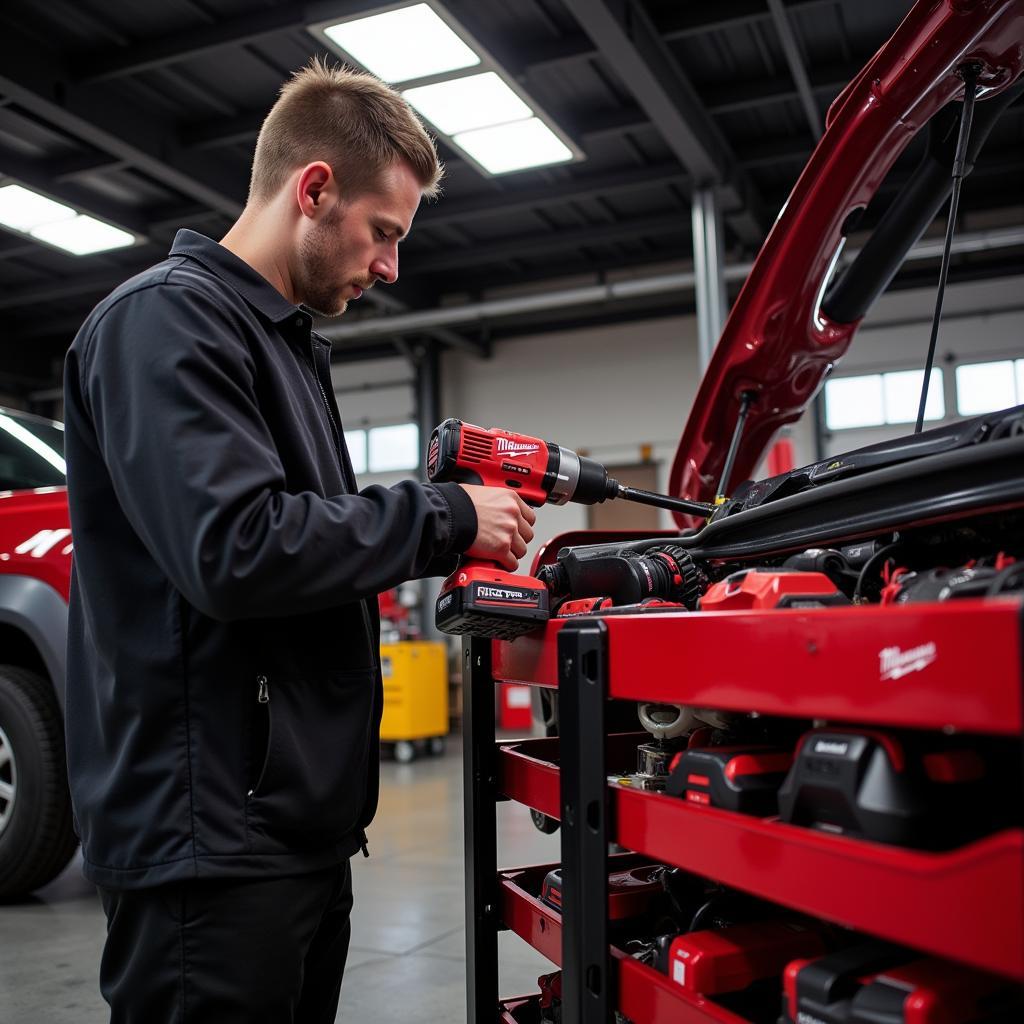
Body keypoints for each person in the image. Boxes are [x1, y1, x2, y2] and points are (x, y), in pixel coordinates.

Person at [62, 59, 535, 1024]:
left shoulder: (280, 343)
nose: (392, 267)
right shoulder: (165, 323)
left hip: (292, 835)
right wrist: (444, 519)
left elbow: (310, 543)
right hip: (209, 845)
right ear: (313, 189)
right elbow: (234, 548)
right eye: (383, 233)